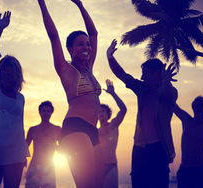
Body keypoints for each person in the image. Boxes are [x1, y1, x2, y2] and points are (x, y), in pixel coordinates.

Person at [37, 0, 103, 187]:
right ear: (70, 49)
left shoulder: (89, 67)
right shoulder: (65, 70)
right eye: (81, 44)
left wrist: (80, 5)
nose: (87, 48)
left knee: (99, 185)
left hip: (93, 131)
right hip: (76, 128)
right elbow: (53, 36)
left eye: (88, 45)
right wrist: (41, 3)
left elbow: (94, 33)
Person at [107, 39, 178, 188]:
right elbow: (123, 75)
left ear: (156, 74)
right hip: (139, 149)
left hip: (158, 148)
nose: (142, 77)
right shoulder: (142, 89)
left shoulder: (168, 92)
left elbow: (170, 95)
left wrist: (166, 82)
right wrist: (110, 57)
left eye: (145, 73)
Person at [0, 11, 29, 188]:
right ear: (0, 72)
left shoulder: (21, 98)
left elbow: (20, 126)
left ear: (17, 74)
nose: (9, 74)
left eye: (13, 71)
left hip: (15, 156)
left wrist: (24, 154)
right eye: (6, 71)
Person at [25, 101, 61, 188]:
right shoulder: (33, 129)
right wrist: (23, 160)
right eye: (44, 111)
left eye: (48, 111)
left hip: (49, 167)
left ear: (51, 113)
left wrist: (54, 145)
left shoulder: (57, 129)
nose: (46, 113)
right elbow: (25, 147)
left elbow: (62, 148)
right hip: (34, 165)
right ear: (40, 112)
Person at [98, 79, 127, 188]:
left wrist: (113, 94)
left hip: (111, 166)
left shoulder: (113, 125)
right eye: (98, 111)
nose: (100, 114)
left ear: (107, 114)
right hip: (98, 168)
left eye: (102, 111)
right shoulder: (95, 132)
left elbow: (123, 110)